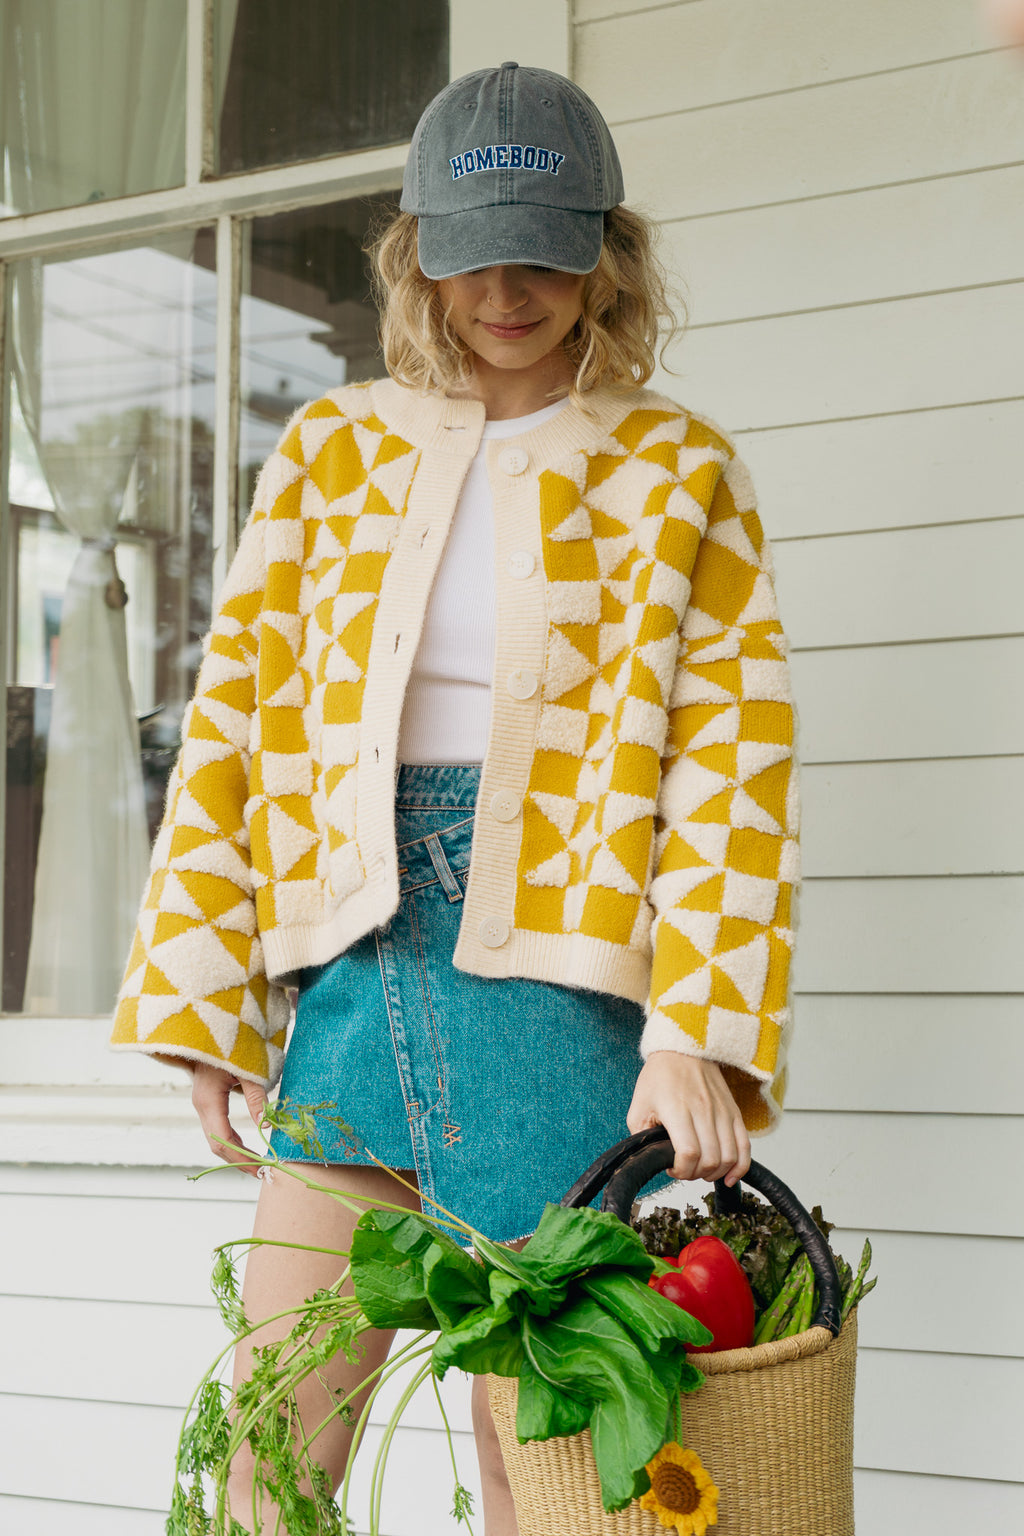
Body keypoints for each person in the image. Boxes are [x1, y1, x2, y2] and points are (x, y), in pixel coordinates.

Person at [111, 61, 798, 1535]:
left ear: (604, 250)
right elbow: (236, 721)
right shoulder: (330, 453)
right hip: (354, 973)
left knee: (541, 1480)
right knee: (265, 1457)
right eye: (473, 243)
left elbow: (733, 764)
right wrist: (208, 1002)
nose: (507, 284)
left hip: (564, 1000)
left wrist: (695, 1029)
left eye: (547, 244)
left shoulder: (681, 471)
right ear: (414, 243)